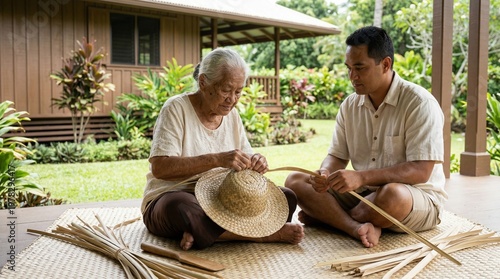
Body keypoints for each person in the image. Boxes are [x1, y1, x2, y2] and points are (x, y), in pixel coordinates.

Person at [285, 26, 447, 248]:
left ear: (386, 64)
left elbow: (421, 170)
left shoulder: (420, 103)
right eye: (349, 68)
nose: (352, 76)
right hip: (364, 196)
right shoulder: (350, 106)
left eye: (359, 68)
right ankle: (356, 226)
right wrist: (325, 173)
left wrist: (361, 177)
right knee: (295, 181)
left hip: (415, 197)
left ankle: (331, 218)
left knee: (392, 195)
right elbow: (337, 156)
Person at [142, 48, 304, 250]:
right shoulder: (176, 108)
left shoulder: (232, 115)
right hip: (173, 195)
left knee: (285, 197)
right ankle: (260, 236)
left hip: (219, 199)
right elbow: (161, 168)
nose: (232, 99)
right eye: (226, 90)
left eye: (238, 92)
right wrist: (216, 159)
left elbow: (246, 156)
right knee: (183, 208)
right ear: (203, 82)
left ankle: (206, 233)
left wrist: (256, 161)